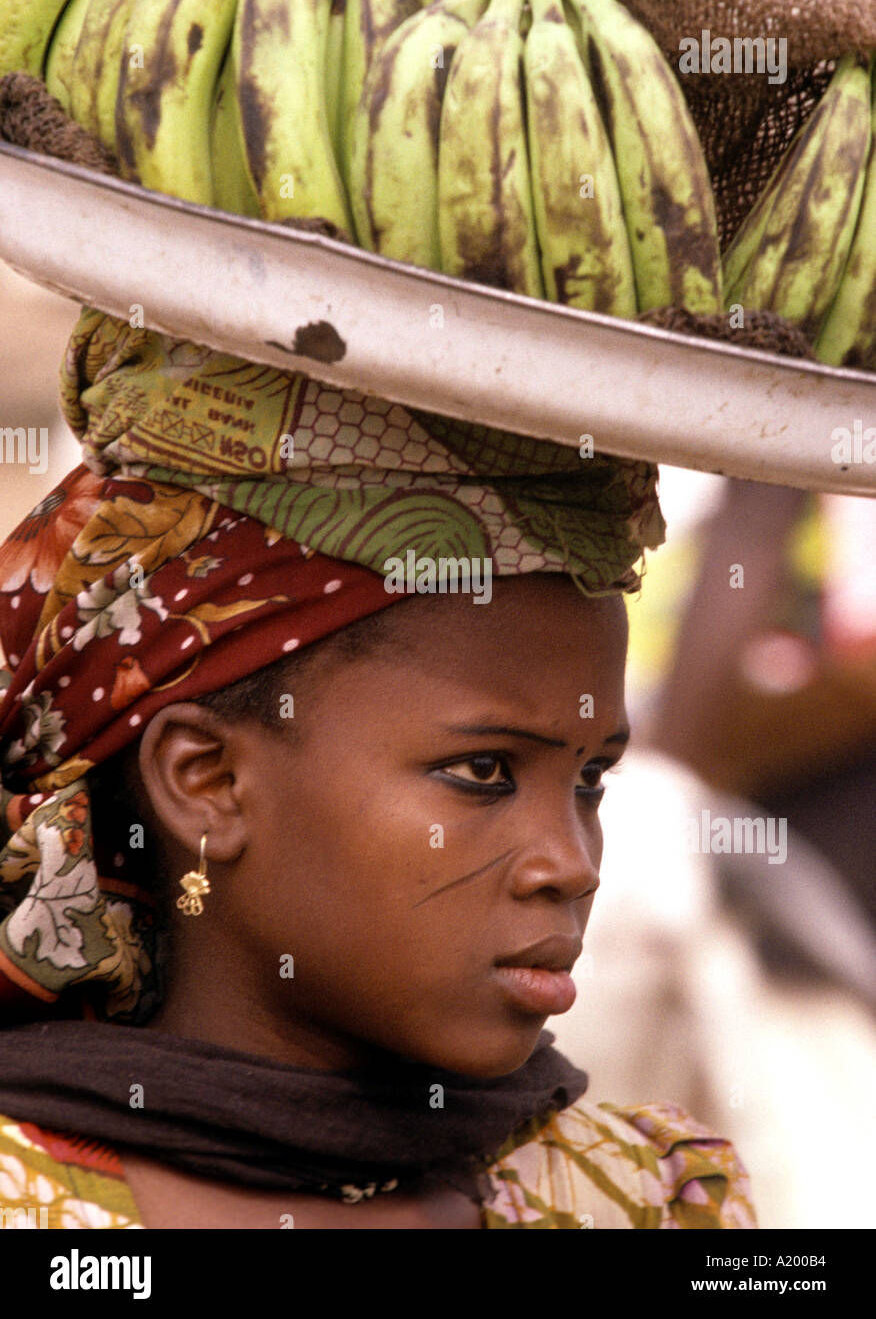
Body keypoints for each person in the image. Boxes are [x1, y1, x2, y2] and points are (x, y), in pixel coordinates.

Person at [0, 308, 756, 1229]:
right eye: (482, 771)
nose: (572, 864)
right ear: (207, 780)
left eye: (591, 780)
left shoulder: (643, 1200)